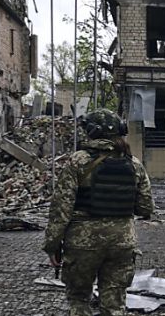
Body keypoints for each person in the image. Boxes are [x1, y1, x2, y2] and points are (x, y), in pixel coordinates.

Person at [43, 109, 154, 316]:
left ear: (90, 132)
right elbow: (146, 207)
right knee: (114, 305)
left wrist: (52, 245)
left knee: (79, 300)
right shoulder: (134, 163)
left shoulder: (77, 161)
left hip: (82, 244)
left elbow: (61, 209)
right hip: (122, 242)